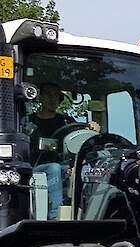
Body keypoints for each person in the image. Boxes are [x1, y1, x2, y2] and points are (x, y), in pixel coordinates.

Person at [26, 83, 99, 219]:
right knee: (54, 168)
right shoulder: (28, 122)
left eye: (55, 95)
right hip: (34, 169)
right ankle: (56, 216)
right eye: (48, 94)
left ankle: (86, 214)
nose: (52, 99)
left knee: (85, 169)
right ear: (40, 97)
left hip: (63, 167)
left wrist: (92, 131)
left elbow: (78, 141)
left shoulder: (67, 121)